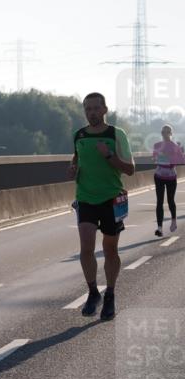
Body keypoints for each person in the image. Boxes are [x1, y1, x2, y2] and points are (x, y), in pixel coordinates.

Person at [66, 93, 135, 320]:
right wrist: (73, 168)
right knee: (86, 248)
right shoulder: (80, 135)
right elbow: (77, 160)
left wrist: (109, 156)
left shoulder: (115, 134)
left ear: (104, 110)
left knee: (110, 250)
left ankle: (111, 295)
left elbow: (130, 169)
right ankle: (93, 292)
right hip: (85, 197)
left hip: (111, 199)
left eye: (96, 108)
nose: (92, 112)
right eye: (87, 109)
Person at [152, 124, 182, 236]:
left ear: (171, 133)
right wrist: (163, 157)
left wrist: (173, 157)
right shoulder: (157, 145)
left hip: (171, 177)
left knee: (170, 200)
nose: (165, 134)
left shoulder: (175, 146)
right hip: (159, 176)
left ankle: (173, 220)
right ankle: (159, 228)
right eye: (163, 132)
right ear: (161, 133)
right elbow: (154, 158)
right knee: (159, 201)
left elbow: (180, 161)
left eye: (167, 132)